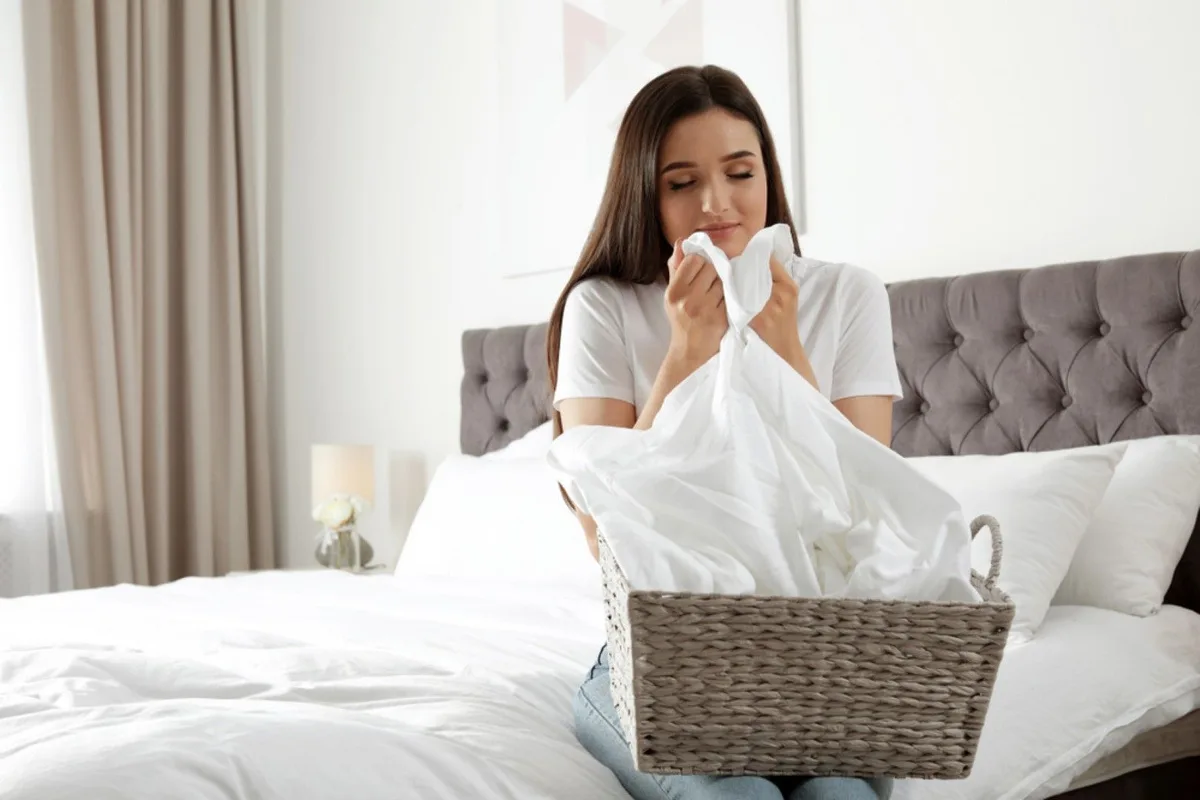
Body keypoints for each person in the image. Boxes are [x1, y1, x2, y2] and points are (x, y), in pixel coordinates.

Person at [546, 65, 901, 800]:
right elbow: (602, 530)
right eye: (682, 183)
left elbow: (866, 513)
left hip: (822, 663)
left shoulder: (846, 295)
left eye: (740, 172)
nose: (716, 203)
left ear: (767, 173)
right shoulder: (605, 307)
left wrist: (788, 356)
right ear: (647, 192)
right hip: (658, 664)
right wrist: (684, 356)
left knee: (840, 796)